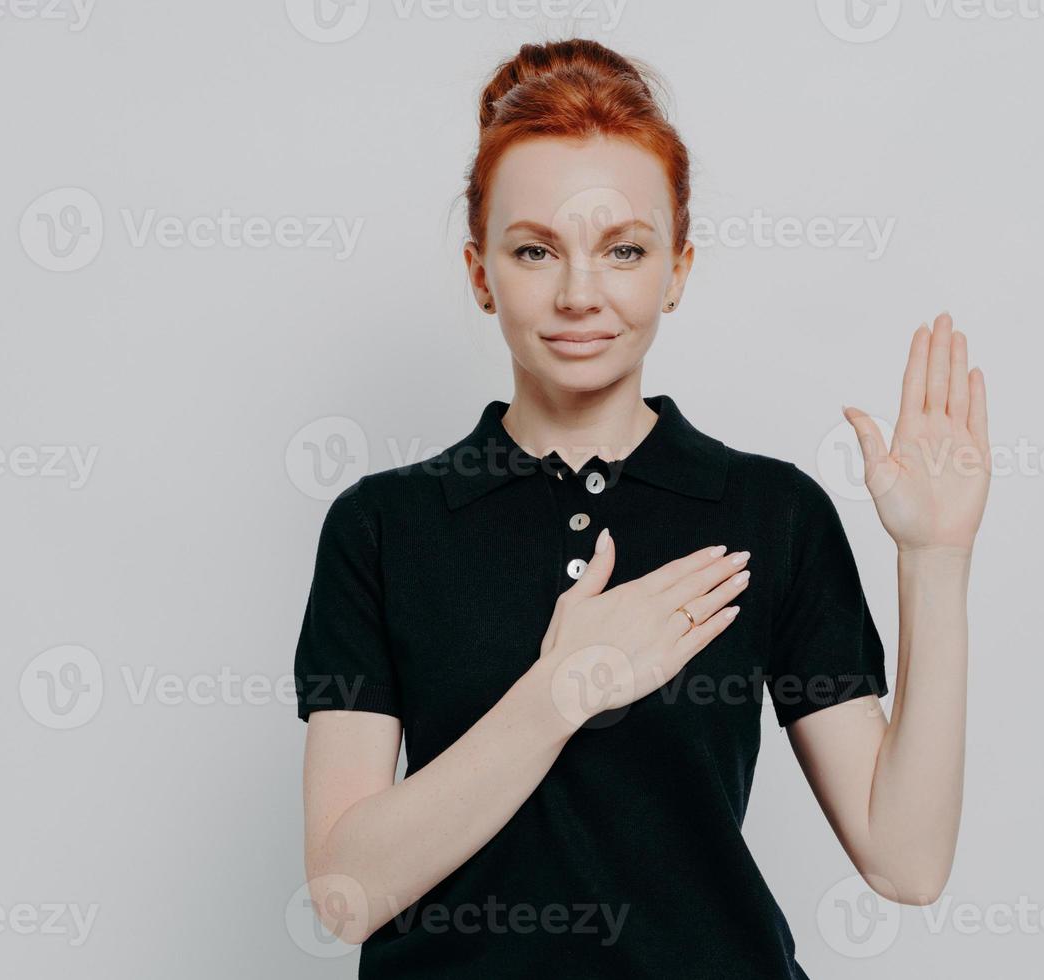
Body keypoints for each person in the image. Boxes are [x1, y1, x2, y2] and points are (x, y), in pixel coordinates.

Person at [294, 37, 990, 979]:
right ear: (478, 271)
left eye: (624, 249)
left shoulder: (770, 512)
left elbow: (906, 863)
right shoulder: (383, 526)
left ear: (677, 269)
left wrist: (935, 562)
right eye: (536, 249)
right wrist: (559, 691)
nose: (582, 294)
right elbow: (344, 894)